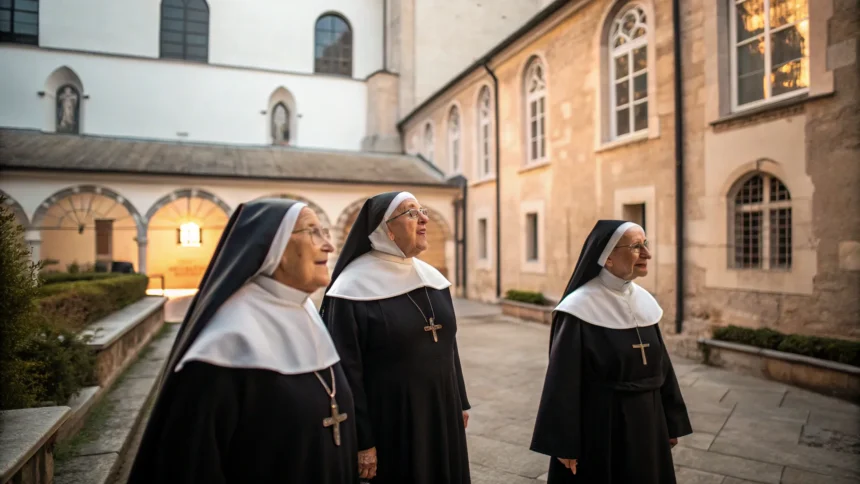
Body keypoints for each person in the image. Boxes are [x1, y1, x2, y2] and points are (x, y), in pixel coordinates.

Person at [127, 198, 358, 484]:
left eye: (325, 232)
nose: (328, 245)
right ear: (274, 247)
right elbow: (191, 465)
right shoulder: (224, 344)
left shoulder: (305, 314)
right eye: (312, 232)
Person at [321, 191, 471, 484]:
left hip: (442, 411)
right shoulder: (351, 287)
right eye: (411, 213)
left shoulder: (433, 279)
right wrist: (362, 439)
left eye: (422, 210)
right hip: (392, 422)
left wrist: (460, 400)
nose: (424, 219)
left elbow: (448, 345)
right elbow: (346, 373)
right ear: (385, 228)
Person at [530, 220, 692, 484]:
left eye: (646, 244)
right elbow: (562, 383)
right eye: (636, 247)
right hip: (602, 427)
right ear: (607, 259)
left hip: (649, 424)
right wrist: (563, 443)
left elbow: (661, 369)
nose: (647, 254)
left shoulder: (645, 302)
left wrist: (670, 422)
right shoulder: (578, 308)